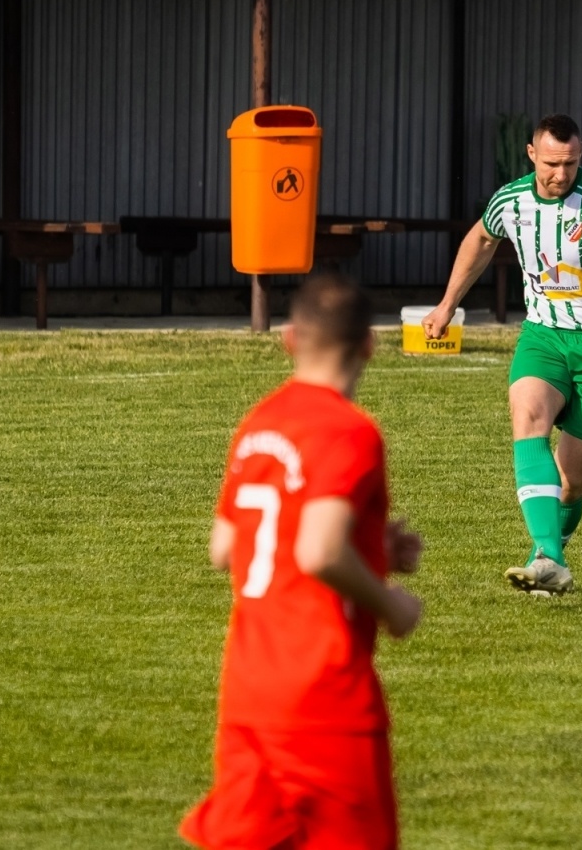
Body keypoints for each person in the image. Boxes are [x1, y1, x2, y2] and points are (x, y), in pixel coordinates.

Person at [181, 272, 425, 850]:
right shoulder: (348, 430)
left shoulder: (260, 422)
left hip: (249, 690)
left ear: (290, 339)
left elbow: (224, 548)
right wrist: (391, 605)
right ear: (369, 344)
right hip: (323, 695)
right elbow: (318, 550)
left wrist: (370, 547)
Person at [422, 114, 582, 596]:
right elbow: (481, 239)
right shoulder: (511, 201)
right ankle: (549, 557)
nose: (561, 174)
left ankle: (546, 557)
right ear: (531, 154)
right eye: (550, 164)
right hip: (544, 338)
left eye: (570, 163)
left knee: (570, 483)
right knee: (528, 418)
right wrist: (447, 304)